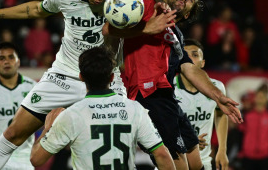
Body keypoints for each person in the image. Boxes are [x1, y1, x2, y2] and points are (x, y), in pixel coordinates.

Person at [0, 0, 173, 169]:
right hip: (64, 74)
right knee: (12, 133)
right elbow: (37, 9)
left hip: (106, 79)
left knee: (128, 142)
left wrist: (161, 2)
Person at [102, 0, 242, 170]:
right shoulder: (148, 6)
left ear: (187, 15)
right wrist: (146, 28)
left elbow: (190, 68)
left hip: (168, 100)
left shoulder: (177, 36)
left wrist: (218, 96)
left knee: (195, 161)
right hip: (146, 96)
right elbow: (109, 28)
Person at [30, 46, 175, 170]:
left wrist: (48, 127)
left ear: (81, 77)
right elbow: (161, 155)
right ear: (112, 77)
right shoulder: (135, 109)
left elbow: (36, 159)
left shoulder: (71, 114)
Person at [173, 39, 229, 170]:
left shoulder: (216, 87)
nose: (189, 58)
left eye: (195, 55)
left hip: (203, 161)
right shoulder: (169, 88)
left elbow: (221, 114)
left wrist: (222, 150)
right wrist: (189, 140)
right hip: (173, 160)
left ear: (202, 63)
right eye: (185, 54)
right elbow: (161, 126)